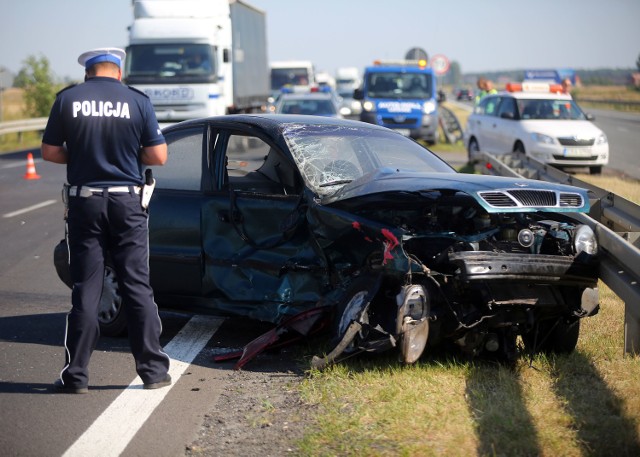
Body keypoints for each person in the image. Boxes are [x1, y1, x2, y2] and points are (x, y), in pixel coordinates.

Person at [41, 48, 171, 394]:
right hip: (127, 202)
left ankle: (76, 376)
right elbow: (158, 155)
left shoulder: (68, 100)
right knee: (136, 285)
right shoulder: (137, 100)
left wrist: (81, 155)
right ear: (118, 71)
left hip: (85, 202)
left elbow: (50, 151)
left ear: (87, 72)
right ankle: (153, 373)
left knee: (87, 287)